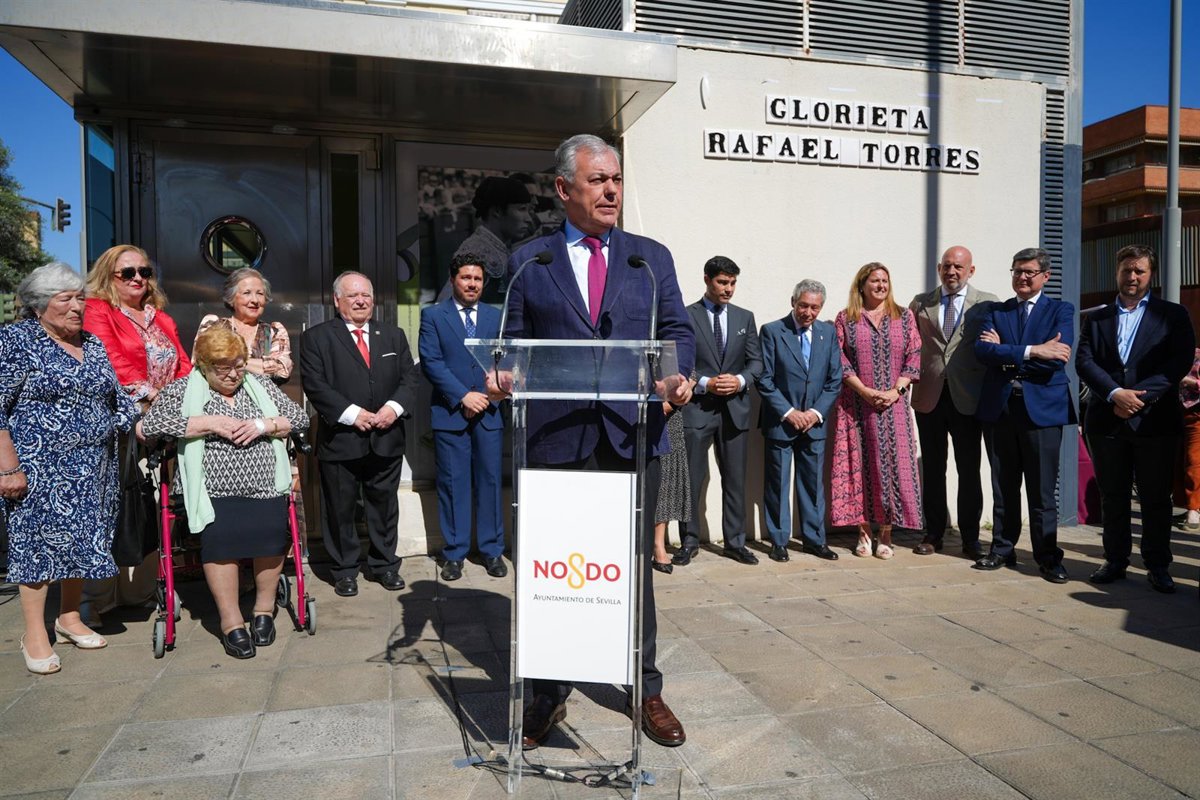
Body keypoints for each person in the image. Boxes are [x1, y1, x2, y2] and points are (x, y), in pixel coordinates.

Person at [502, 134, 694, 749]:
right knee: (556, 568)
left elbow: (676, 330)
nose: (612, 190)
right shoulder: (530, 262)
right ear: (564, 189)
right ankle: (549, 692)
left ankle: (645, 686)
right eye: (598, 180)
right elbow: (511, 341)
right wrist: (503, 372)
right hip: (554, 440)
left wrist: (676, 375)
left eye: (616, 179)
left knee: (633, 568)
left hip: (630, 435)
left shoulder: (648, 259)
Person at [0, 263, 139, 674]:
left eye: (80, 298)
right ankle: (34, 633)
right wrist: (7, 468)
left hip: (95, 466)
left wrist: (136, 421)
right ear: (39, 305)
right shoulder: (16, 340)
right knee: (37, 547)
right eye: (66, 299)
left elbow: (116, 398)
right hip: (39, 466)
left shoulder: (92, 343)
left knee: (82, 539)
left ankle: (69, 617)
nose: (78, 306)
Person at [141, 325, 309, 658]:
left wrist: (264, 425)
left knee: (272, 533)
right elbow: (149, 427)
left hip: (266, 484)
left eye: (239, 366)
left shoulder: (259, 384)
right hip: (210, 490)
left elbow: (299, 418)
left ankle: (263, 610)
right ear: (204, 366)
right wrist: (208, 423)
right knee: (221, 539)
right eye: (223, 368)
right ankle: (231, 622)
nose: (233, 375)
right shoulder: (181, 390)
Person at [81, 244, 193, 623]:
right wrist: (155, 397)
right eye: (127, 272)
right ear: (108, 276)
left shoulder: (160, 317)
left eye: (144, 271)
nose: (138, 279)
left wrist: (179, 399)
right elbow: (111, 360)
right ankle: (95, 598)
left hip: (159, 424)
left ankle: (139, 591)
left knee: (150, 505)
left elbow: (182, 363)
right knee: (111, 506)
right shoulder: (98, 311)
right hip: (119, 425)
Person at [1076, 244, 1195, 593]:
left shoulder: (1172, 315)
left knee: (1156, 498)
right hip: (1107, 419)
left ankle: (1158, 565)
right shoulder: (1097, 318)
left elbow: (1179, 361)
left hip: (1155, 421)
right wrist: (1115, 393)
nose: (1132, 276)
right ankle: (1115, 560)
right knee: (1113, 496)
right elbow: (1084, 361)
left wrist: (1138, 398)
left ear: (1150, 274)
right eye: (1126, 270)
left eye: (1139, 271)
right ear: (1117, 272)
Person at [299, 271, 418, 598]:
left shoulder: (392, 335)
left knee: (384, 507)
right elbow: (315, 385)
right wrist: (353, 415)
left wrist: (393, 408)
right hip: (341, 439)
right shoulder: (317, 338)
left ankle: (385, 565)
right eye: (353, 296)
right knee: (340, 509)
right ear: (337, 300)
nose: (361, 301)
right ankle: (345, 570)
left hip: (386, 436)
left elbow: (409, 378)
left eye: (366, 295)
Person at [973, 247, 1075, 583]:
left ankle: (1047, 557)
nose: (1022, 277)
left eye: (1029, 272)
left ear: (1045, 276)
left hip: (1042, 410)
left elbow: (1057, 357)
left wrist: (1008, 354)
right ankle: (1002, 549)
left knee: (1042, 490)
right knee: (1004, 486)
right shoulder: (997, 311)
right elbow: (983, 351)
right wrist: (1034, 350)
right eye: (1017, 271)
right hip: (1001, 408)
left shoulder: (1060, 310)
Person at [419, 252, 507, 582]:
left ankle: (491, 550)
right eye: (466, 277)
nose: (472, 284)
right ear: (453, 279)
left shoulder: (496, 317)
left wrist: (486, 395)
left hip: (489, 410)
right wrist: (463, 396)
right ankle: (454, 553)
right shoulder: (433, 316)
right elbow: (432, 362)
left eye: (478, 279)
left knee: (490, 481)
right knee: (453, 483)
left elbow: (504, 360)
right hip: (450, 412)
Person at [909, 245, 998, 559]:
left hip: (968, 397)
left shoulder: (987, 303)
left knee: (969, 470)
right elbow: (910, 343)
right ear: (939, 269)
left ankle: (970, 538)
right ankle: (933, 533)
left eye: (958, 267)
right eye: (946, 266)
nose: (951, 272)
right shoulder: (921, 303)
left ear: (970, 270)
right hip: (929, 396)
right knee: (933, 469)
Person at [673, 256, 762, 566]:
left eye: (733, 283)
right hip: (697, 409)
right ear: (707, 279)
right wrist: (705, 383)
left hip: (735, 410)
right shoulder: (686, 316)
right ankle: (689, 541)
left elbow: (756, 363)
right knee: (691, 479)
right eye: (723, 282)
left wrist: (739, 380)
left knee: (735, 480)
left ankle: (735, 543)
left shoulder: (744, 318)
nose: (728, 289)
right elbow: (679, 361)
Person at [830, 262, 922, 560]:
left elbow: (914, 356)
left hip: (894, 407)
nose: (881, 285)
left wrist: (895, 392)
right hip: (856, 406)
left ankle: (886, 533)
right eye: (874, 281)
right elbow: (839, 359)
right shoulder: (846, 318)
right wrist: (865, 391)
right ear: (862, 285)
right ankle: (863, 533)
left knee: (891, 468)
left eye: (885, 280)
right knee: (860, 467)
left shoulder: (904, 317)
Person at [756, 280, 843, 562]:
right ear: (793, 302)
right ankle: (779, 541)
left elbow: (835, 379)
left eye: (815, 307)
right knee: (778, 484)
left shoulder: (828, 333)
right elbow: (764, 378)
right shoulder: (772, 331)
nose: (808, 312)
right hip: (781, 422)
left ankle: (814, 540)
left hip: (814, 423)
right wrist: (789, 412)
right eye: (804, 305)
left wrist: (815, 413)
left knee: (813, 485)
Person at [436, 176, 535, 305]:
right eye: (521, 209)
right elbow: (446, 307)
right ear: (497, 211)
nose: (528, 219)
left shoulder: (496, 247)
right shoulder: (476, 252)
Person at [193, 267, 292, 382]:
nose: (255, 300)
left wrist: (228, 362)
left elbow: (282, 370)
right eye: (247, 293)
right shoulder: (214, 326)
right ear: (231, 299)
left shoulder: (274, 332)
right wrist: (261, 365)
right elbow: (200, 361)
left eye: (260, 293)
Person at [653, 403, 691, 573]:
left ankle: (658, 544)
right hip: (627, 411)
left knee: (665, 480)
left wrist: (672, 403)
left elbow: (689, 384)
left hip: (667, 416)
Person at [1174, 349, 1200, 532]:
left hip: (1197, 412)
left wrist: (1191, 382)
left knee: (1194, 461)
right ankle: (1188, 505)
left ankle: (1193, 509)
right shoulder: (1185, 349)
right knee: (1179, 461)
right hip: (1178, 411)